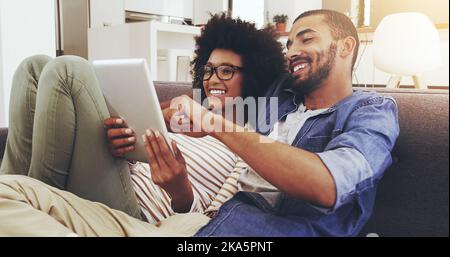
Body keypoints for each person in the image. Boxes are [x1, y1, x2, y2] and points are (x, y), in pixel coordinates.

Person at [0, 9, 399, 237]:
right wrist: (152, 121)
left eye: (305, 39)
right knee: (5, 192)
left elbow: (328, 186)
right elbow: (191, 108)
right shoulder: (279, 103)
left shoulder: (370, 112)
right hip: (192, 223)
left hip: (223, 235)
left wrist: (210, 122)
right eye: (289, 43)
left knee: (69, 71)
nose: (292, 50)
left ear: (347, 47)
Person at [0, 14, 286, 234]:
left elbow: (210, 217)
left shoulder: (247, 142)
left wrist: (178, 187)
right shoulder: (185, 111)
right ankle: (16, 197)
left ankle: (33, 202)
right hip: (109, 176)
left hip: (135, 213)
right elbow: (134, 129)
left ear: (254, 76)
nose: (213, 80)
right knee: (34, 67)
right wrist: (119, 135)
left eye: (227, 71)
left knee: (69, 71)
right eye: (209, 70)